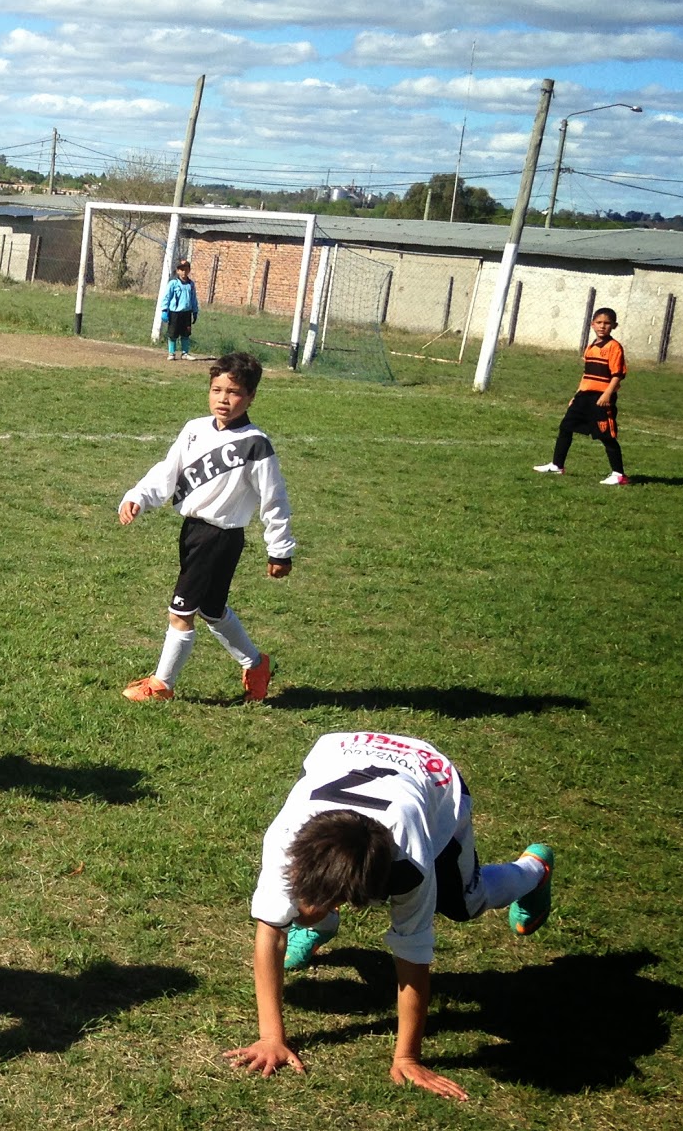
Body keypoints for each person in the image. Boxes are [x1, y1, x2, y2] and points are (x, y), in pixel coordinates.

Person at [223, 730, 555, 1102]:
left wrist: (408, 1057)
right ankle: (321, 925)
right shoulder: (286, 838)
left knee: (465, 903)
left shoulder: (410, 865)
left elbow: (413, 957)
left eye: (334, 902)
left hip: (433, 779)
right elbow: (270, 931)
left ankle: (534, 870)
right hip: (343, 750)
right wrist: (271, 1037)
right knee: (287, 905)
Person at [117, 350, 293, 703]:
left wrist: (280, 549)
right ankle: (256, 665)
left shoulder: (255, 444)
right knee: (212, 610)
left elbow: (274, 498)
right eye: (217, 390)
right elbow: (167, 472)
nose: (224, 399)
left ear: (251, 397)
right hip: (192, 532)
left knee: (180, 612)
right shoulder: (194, 429)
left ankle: (162, 685)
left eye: (234, 392)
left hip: (221, 537)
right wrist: (138, 495)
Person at [533, 307, 629, 485]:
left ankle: (619, 474)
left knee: (606, 435)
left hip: (601, 398)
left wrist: (607, 394)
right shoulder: (591, 347)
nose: (602, 326)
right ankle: (557, 465)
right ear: (592, 324)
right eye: (599, 323)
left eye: (607, 323)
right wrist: (576, 395)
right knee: (566, 427)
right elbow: (587, 375)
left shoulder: (614, 347)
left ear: (614, 326)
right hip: (584, 396)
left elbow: (618, 375)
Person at [159, 258, 200, 360]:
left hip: (186, 313)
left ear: (189, 270)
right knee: (173, 333)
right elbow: (167, 297)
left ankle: (185, 353)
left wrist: (195, 311)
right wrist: (164, 310)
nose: (184, 272)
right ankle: (171, 353)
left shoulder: (191, 284)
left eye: (186, 269)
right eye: (181, 269)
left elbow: (193, 298)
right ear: (177, 271)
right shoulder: (173, 283)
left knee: (185, 334)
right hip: (175, 312)